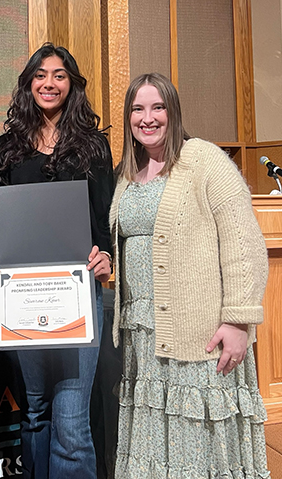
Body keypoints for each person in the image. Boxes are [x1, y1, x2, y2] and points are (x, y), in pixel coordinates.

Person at [111, 72, 270, 478]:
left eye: (157, 107)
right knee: (156, 441)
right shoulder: (128, 174)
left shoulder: (204, 160)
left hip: (197, 332)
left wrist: (238, 320)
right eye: (137, 109)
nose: (148, 118)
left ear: (173, 112)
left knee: (196, 444)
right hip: (143, 336)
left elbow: (244, 242)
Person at [0, 43, 113, 479]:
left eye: (59, 75)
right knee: (35, 410)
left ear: (71, 83)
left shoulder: (93, 147)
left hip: (77, 298)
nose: (49, 83)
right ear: (28, 83)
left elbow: (104, 222)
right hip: (20, 298)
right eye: (40, 74)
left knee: (71, 419)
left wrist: (106, 257)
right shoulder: (5, 149)